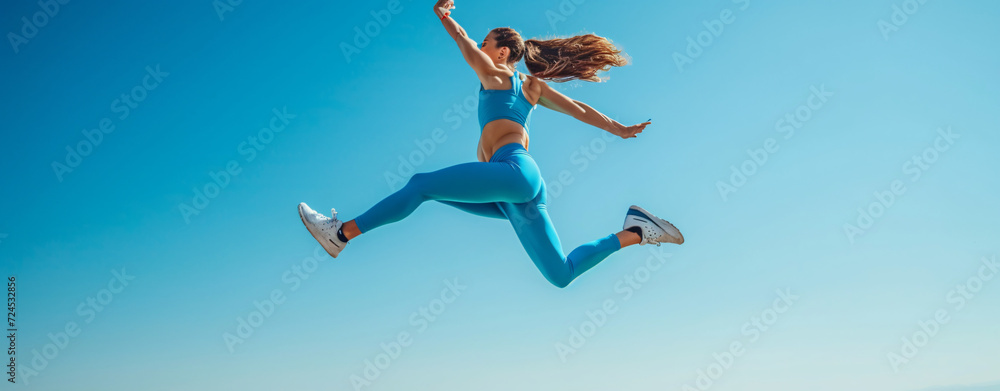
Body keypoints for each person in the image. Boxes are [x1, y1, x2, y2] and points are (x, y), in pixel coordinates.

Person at [298, 0, 683, 288]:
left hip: (513, 172)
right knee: (560, 275)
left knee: (420, 184)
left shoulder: (497, 73)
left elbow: (464, 42)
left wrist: (444, 17)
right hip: (517, 191)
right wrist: (618, 129)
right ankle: (636, 230)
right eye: (483, 43)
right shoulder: (532, 87)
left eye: (487, 43)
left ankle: (341, 233)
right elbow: (579, 108)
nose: (481, 48)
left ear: (501, 52)